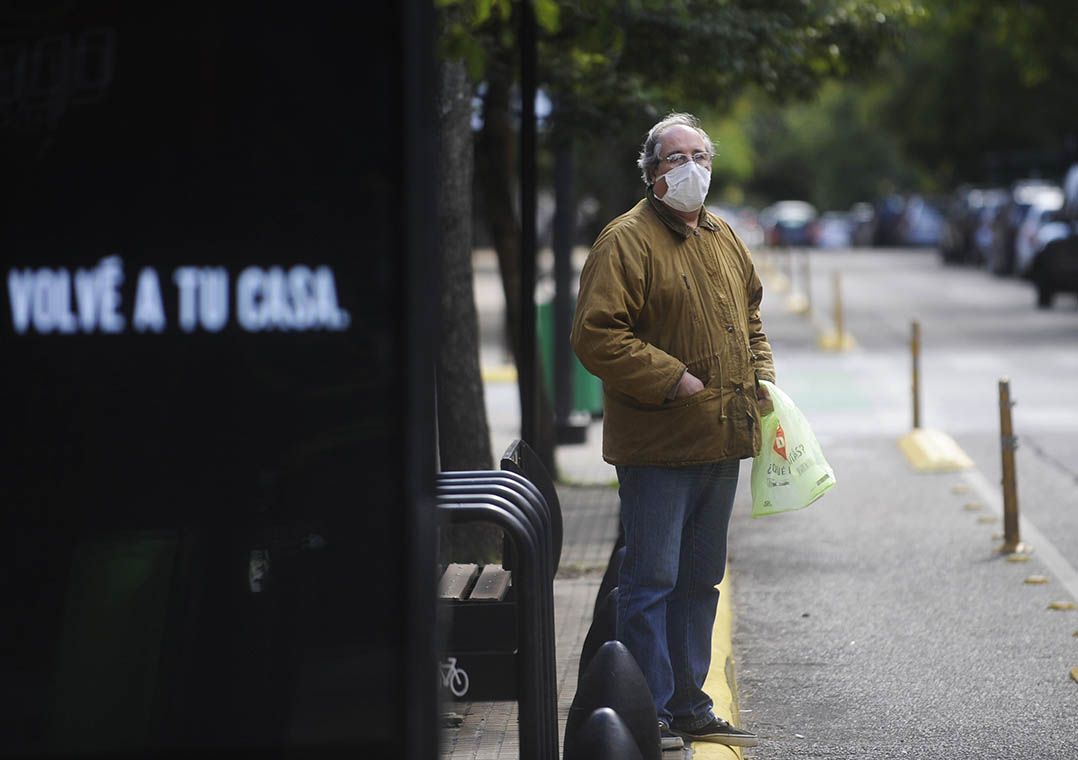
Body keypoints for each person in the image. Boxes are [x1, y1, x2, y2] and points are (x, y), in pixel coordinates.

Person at [570, 112, 775, 749]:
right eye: (674, 158)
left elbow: (751, 319)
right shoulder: (623, 240)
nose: (690, 168)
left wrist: (762, 379)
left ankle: (690, 704)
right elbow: (596, 335)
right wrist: (672, 377)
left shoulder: (722, 234)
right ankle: (647, 711)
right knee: (650, 583)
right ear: (652, 173)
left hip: (721, 442)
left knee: (699, 580)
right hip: (658, 448)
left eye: (699, 156)